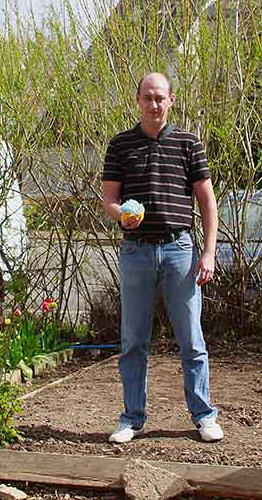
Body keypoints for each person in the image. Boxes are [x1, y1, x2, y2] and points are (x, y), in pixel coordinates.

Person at [100, 72, 222, 444]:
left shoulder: (189, 144)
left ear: (171, 101)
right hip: (136, 251)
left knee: (192, 340)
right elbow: (108, 201)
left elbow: (207, 202)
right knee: (133, 341)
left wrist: (209, 252)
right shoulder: (120, 145)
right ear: (137, 99)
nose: (154, 104)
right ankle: (131, 418)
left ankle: (204, 416)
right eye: (147, 97)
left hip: (179, 250)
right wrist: (121, 214)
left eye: (160, 98)